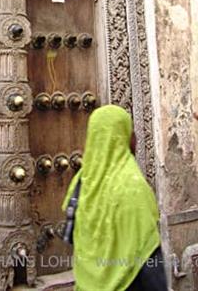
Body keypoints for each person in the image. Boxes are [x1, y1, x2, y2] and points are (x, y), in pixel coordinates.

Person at [62, 104, 168, 291]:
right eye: (130, 131)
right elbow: (148, 259)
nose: (135, 139)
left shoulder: (82, 182)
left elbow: (72, 234)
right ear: (122, 137)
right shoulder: (132, 187)